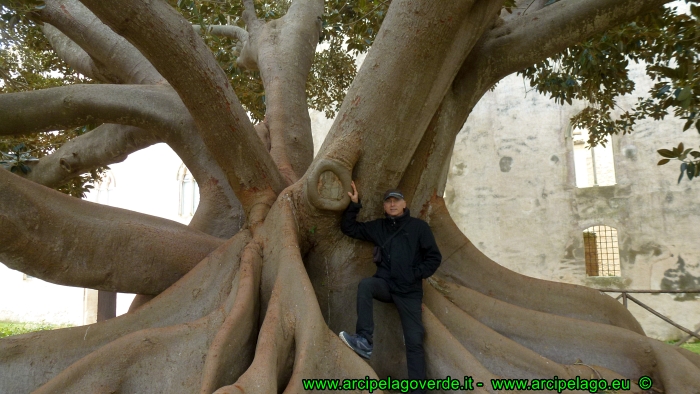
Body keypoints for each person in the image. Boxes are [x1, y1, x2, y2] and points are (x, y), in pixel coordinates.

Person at [339, 181, 442, 392]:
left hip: (410, 292)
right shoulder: (379, 227)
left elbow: (434, 258)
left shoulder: (419, 228)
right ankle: (364, 340)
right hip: (385, 285)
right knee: (366, 285)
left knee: (414, 341)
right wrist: (354, 204)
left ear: (404, 204)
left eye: (397, 201)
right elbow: (349, 228)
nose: (393, 204)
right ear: (384, 206)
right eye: (389, 201)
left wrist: (414, 275)